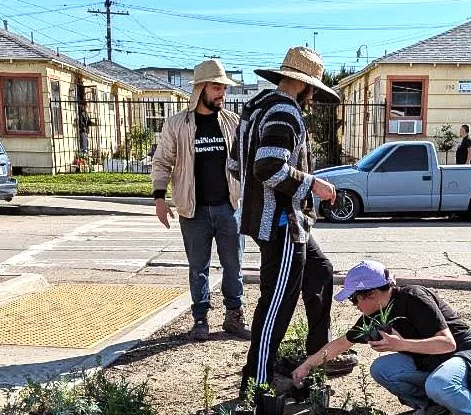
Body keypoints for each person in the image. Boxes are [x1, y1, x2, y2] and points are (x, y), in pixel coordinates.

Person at [228, 46, 354, 391]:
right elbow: (267, 167)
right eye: (313, 88)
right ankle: (258, 380)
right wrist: (314, 184)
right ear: (305, 85)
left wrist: (262, 198)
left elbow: (236, 165)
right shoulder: (285, 112)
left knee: (320, 270)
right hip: (282, 224)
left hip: (279, 220)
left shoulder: (255, 108)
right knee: (278, 303)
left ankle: (318, 352)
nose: (312, 96)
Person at [292, 259, 471, 415]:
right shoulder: (375, 315)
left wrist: (401, 345)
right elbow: (341, 344)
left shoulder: (414, 297)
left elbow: (447, 344)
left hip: (464, 353)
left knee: (439, 383)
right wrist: (306, 366)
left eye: (354, 298)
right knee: (382, 369)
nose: (354, 305)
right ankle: (432, 406)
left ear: (372, 294)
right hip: (429, 358)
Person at [151, 59, 249, 342]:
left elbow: (247, 161)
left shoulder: (232, 122)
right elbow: (162, 162)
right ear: (200, 88)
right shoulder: (177, 124)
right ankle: (201, 320)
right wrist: (159, 198)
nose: (222, 93)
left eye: (224, 88)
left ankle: (234, 316)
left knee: (235, 265)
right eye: (217, 87)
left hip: (229, 207)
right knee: (198, 268)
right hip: (193, 210)